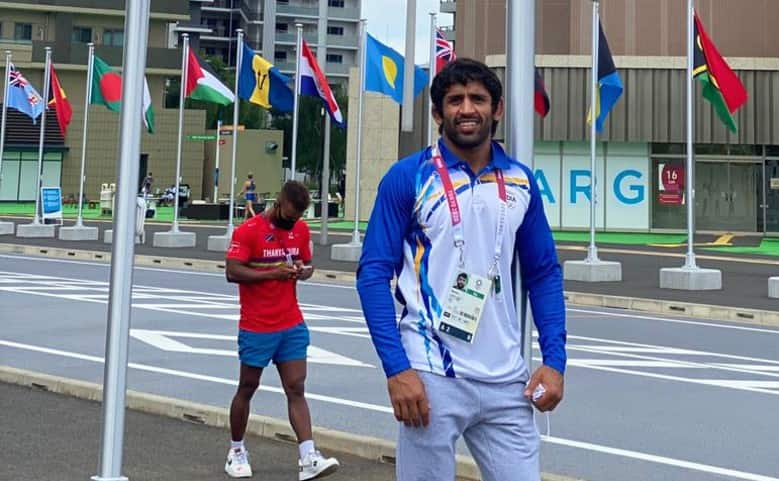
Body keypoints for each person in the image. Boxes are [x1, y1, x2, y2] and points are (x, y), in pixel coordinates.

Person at [356, 58, 567, 481]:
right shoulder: (408, 177)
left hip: (507, 380)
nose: (466, 109)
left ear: (498, 109)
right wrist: (397, 369)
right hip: (431, 375)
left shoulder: (522, 182)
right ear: (438, 114)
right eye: (455, 100)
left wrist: (555, 361)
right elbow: (373, 274)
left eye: (478, 99)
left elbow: (543, 274)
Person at [224, 181, 340, 480]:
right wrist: (272, 273)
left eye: (299, 216)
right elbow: (232, 271)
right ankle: (236, 450)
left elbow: (309, 263)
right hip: (257, 324)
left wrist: (304, 271)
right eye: (289, 215)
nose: (293, 221)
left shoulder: (300, 230)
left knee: (296, 387)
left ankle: (308, 456)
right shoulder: (249, 230)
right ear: (278, 203)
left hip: (291, 322)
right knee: (248, 387)